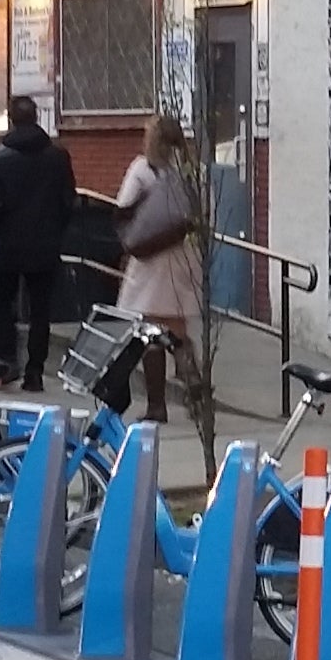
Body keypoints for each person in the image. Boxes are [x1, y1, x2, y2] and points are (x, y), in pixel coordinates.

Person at [114, 110, 208, 424]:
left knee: (150, 332)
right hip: (182, 258)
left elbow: (123, 210)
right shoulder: (189, 172)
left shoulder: (142, 170)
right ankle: (195, 388)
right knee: (179, 332)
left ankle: (157, 406)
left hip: (151, 261)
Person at [0, 96, 70, 389]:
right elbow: (68, 200)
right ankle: (35, 371)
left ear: (12, 119)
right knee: (40, 311)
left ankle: (6, 363)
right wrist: (56, 230)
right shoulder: (58, 157)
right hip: (45, 243)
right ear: (36, 118)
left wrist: (0, 232)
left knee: (4, 306)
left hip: (10, 244)